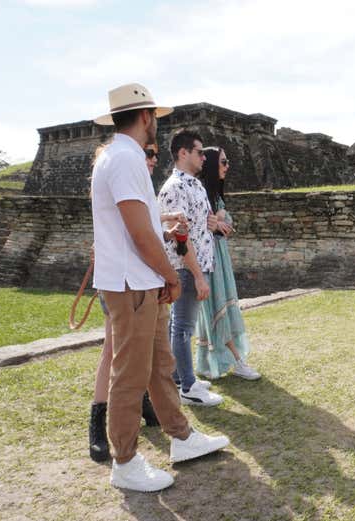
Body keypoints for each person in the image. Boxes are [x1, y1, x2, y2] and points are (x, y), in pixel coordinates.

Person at [91, 83, 228, 492]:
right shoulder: (125, 159)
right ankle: (126, 460)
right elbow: (138, 233)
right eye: (156, 118)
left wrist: (162, 221)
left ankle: (181, 436)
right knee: (131, 374)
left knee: (158, 365)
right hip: (133, 281)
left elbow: (137, 220)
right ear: (147, 116)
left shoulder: (118, 157)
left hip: (138, 280)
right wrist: (171, 276)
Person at [87, 142, 184, 462]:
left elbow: (146, 225)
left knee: (143, 355)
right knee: (115, 352)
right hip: (123, 279)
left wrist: (167, 234)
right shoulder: (121, 167)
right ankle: (98, 422)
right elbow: (131, 231)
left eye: (155, 154)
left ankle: (145, 405)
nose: (153, 160)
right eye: (149, 153)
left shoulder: (129, 173)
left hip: (135, 278)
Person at [158, 130, 224, 406]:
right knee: (183, 328)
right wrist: (198, 276)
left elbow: (200, 225)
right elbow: (180, 239)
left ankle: (177, 375)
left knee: (179, 324)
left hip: (199, 263)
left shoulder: (195, 185)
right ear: (183, 153)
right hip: (185, 267)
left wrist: (213, 224)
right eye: (199, 152)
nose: (203, 157)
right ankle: (187, 386)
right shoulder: (175, 188)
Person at [195, 147, 261, 380]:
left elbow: (227, 229)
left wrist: (221, 220)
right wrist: (217, 221)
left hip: (220, 257)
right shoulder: (200, 193)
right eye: (224, 161)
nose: (227, 165)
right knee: (216, 306)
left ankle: (206, 363)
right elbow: (202, 226)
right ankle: (237, 360)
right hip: (207, 259)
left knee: (219, 306)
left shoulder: (215, 196)